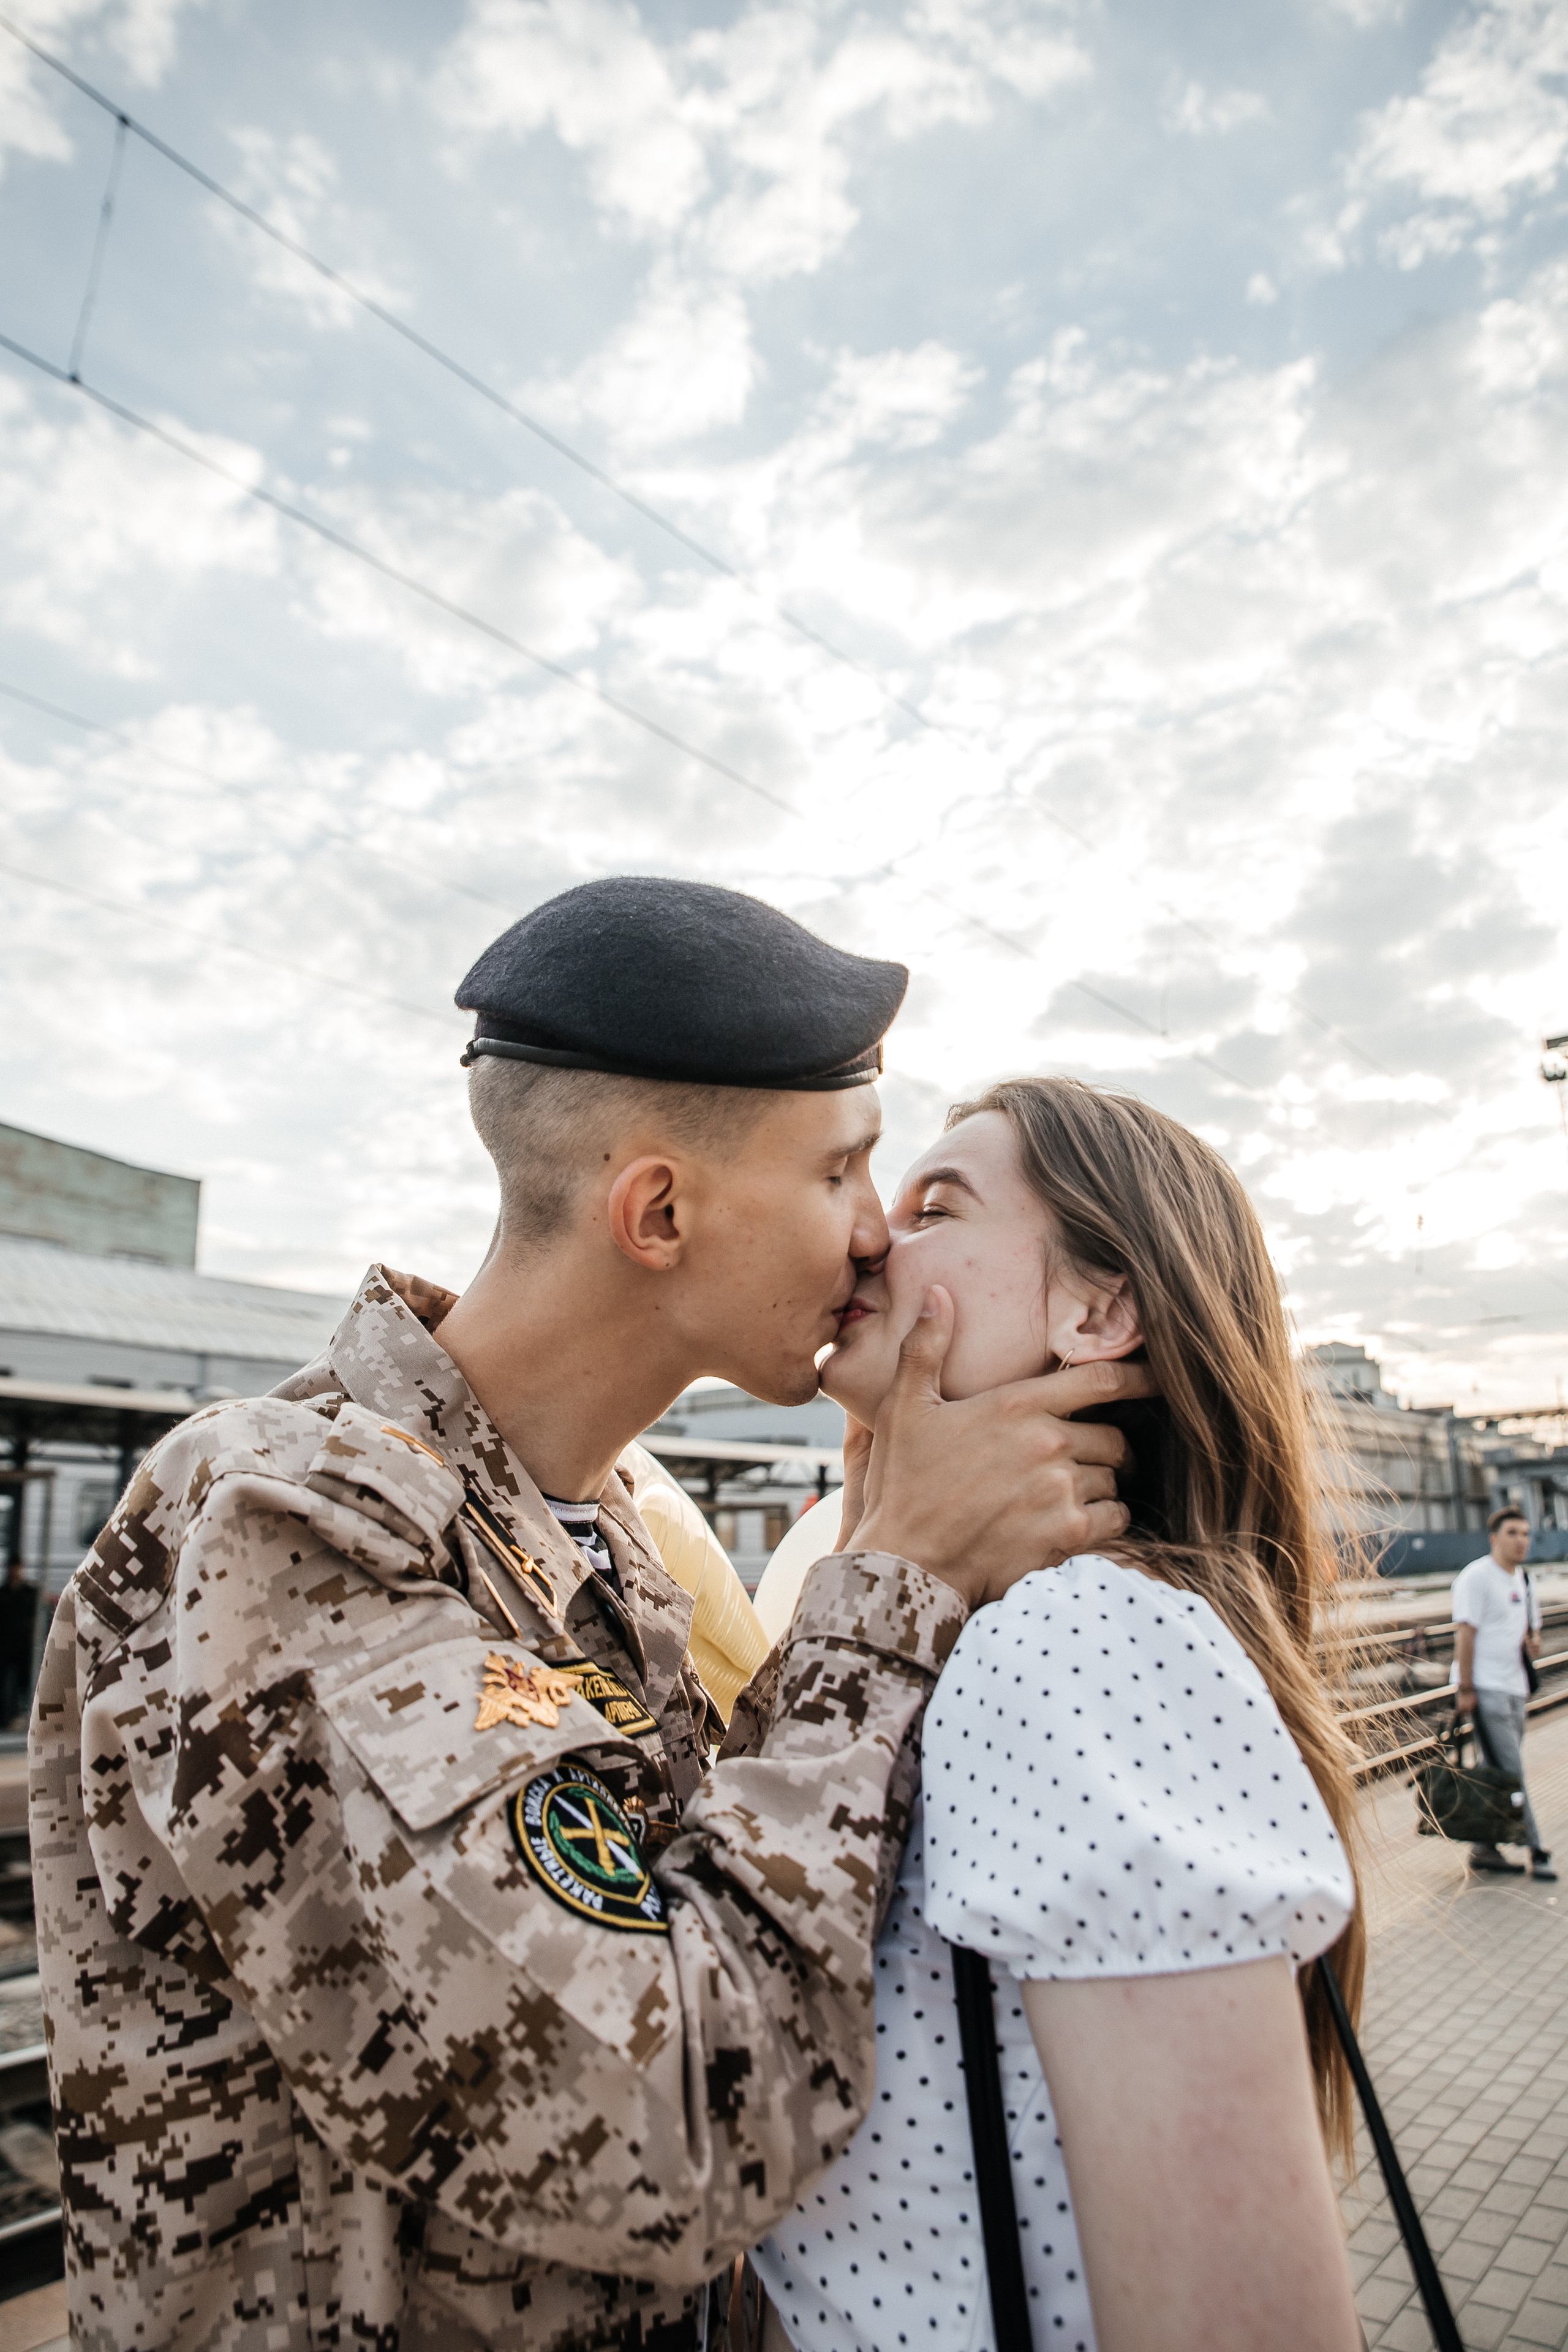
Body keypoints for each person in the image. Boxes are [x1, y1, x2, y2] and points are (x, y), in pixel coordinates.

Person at [29, 879, 1150, 2352]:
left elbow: (696, 1898)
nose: (874, 1238)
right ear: (660, 1210)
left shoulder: (603, 1531)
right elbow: (666, 2137)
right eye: (838, 1175)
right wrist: (892, 1586)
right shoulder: (285, 1522)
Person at [753, 1076, 1364, 2352]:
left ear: (1097, 1310)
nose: (869, 1233)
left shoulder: (1071, 1638)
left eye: (934, 1204)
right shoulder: (978, 1624)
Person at [1452, 1504, 1553, 1880]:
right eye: (1512, 1533)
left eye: (1526, 1534)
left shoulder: (1524, 1581)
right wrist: (1465, 1688)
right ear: (1494, 1539)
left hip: (1516, 1687)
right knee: (1512, 1771)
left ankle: (1484, 1848)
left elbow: (1531, 1630)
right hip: (1485, 1687)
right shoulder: (1476, 1577)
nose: (1521, 1541)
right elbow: (1465, 1635)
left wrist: (1534, 1642)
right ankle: (1537, 1850)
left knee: (1492, 1769)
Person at [0, 1559, 38, 1729]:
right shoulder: (4, 1592)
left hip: (23, 1645)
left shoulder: (28, 1592)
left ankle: (22, 1714)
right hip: (6, 1645)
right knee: (6, 1682)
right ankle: (6, 1717)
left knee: (24, 1681)